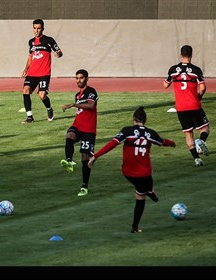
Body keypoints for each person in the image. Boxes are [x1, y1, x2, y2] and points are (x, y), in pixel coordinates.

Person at [88, 107, 176, 233]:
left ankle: (148, 193)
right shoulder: (151, 133)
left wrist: (95, 156)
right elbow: (163, 142)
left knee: (141, 190)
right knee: (141, 196)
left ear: (133, 119)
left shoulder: (127, 131)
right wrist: (173, 143)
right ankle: (135, 224)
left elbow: (112, 144)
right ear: (145, 120)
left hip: (128, 172)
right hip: (144, 174)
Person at [163, 45, 210, 167]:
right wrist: (199, 96)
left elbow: (165, 85)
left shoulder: (173, 69)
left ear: (180, 55)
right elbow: (203, 87)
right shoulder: (196, 70)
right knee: (205, 128)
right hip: (194, 104)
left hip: (181, 107)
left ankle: (196, 159)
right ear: (191, 55)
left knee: (188, 133)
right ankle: (201, 141)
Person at [60, 69, 98, 197]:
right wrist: (75, 104)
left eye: (81, 78)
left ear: (87, 78)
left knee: (85, 158)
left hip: (89, 129)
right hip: (78, 125)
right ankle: (69, 160)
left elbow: (91, 106)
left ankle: (84, 187)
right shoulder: (78, 94)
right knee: (69, 135)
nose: (78, 80)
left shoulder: (91, 92)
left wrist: (73, 105)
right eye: (77, 78)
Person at [21, 19, 63, 124]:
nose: (36, 30)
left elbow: (59, 51)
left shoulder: (49, 40)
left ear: (43, 28)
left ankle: (49, 109)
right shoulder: (31, 42)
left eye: (39, 28)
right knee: (26, 90)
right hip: (32, 73)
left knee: (42, 95)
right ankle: (29, 117)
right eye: (35, 28)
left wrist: (58, 54)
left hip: (44, 74)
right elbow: (30, 57)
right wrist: (25, 69)